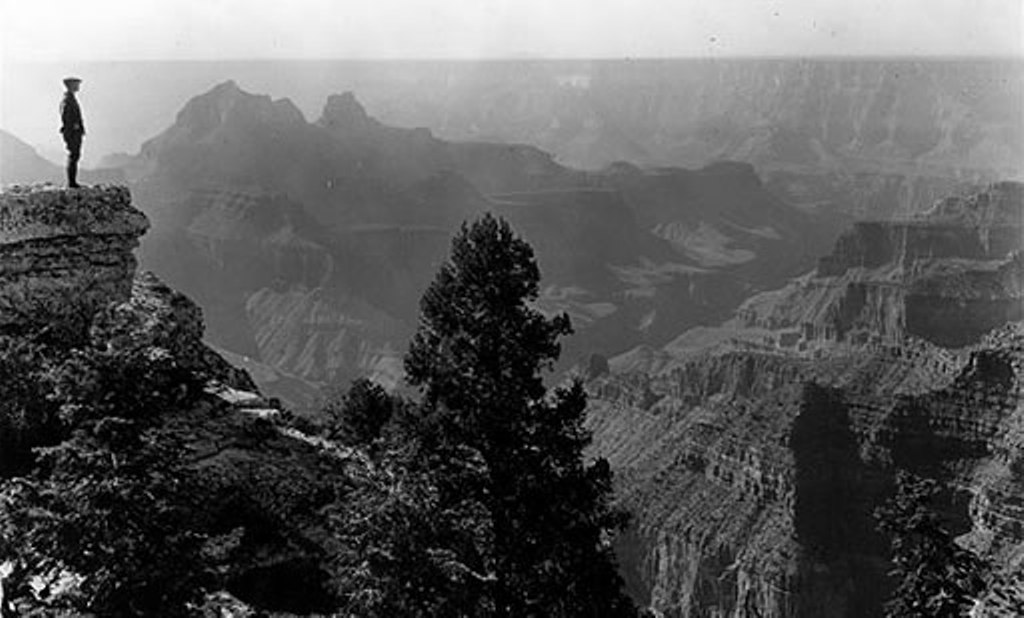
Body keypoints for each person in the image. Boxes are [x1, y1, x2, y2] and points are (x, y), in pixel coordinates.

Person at [59, 77, 85, 188]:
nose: (78, 86)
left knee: (75, 156)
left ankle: (72, 181)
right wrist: (73, 128)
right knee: (74, 155)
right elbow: (66, 116)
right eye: (76, 84)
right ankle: (72, 182)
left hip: (73, 132)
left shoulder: (69, 98)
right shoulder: (68, 100)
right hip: (72, 133)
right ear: (71, 85)